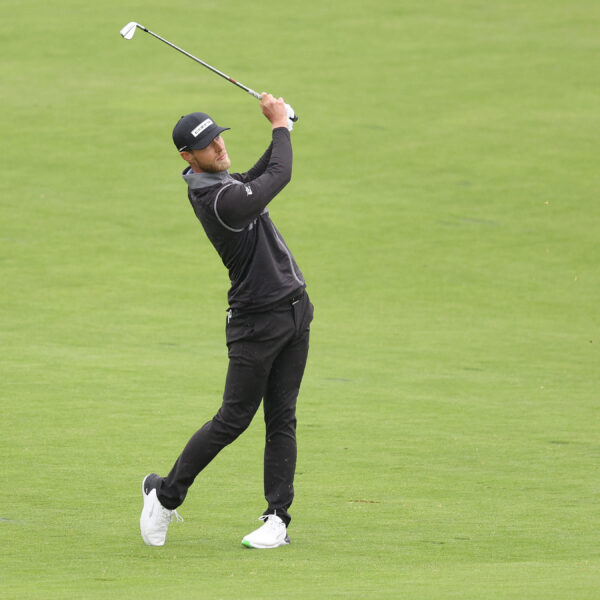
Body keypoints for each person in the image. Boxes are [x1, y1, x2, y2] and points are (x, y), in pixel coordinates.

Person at [139, 93, 313, 550]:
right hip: (256, 323)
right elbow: (278, 176)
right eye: (208, 145)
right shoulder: (217, 201)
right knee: (234, 418)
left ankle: (277, 518)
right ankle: (164, 494)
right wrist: (278, 127)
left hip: (294, 311)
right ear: (188, 157)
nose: (218, 147)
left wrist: (284, 132)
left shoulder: (223, 183)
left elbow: (256, 176)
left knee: (282, 418)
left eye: (218, 137)